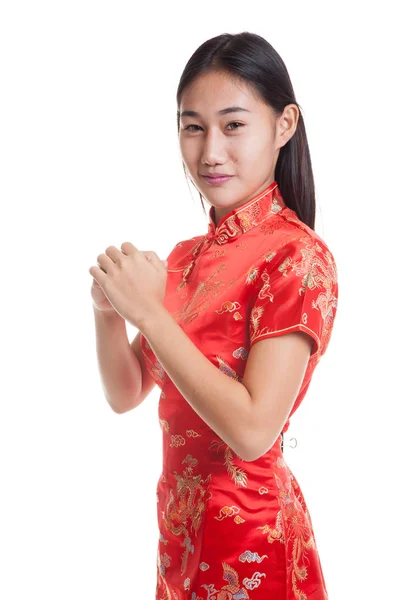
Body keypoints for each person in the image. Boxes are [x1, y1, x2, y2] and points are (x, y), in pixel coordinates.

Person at [91, 31, 338, 599]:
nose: (209, 152)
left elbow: (252, 431)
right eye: (192, 126)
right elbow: (127, 392)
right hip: (180, 537)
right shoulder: (185, 258)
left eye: (233, 125)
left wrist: (150, 315)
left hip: (253, 541)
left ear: (284, 125)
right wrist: (109, 312)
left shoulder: (296, 256)